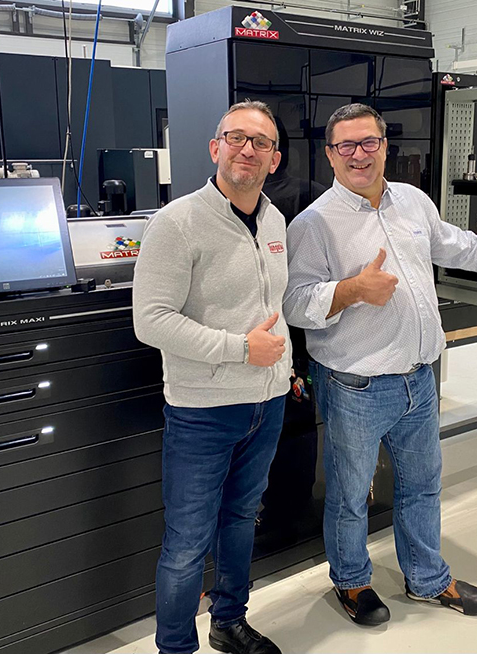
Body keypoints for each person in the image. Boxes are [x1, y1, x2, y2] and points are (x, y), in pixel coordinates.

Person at [283, 103, 477, 625]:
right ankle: (352, 582)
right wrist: (352, 290)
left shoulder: (411, 201)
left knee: (422, 485)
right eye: (346, 145)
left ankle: (427, 579)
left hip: (419, 379)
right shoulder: (313, 224)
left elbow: (458, 246)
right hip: (356, 386)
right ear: (330, 155)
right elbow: (295, 303)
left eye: (369, 142)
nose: (359, 154)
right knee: (349, 495)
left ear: (385, 147)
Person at [133, 100, 291, 654]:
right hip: (203, 411)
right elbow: (151, 320)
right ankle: (176, 647)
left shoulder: (275, 220)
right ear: (215, 147)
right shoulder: (176, 223)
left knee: (241, 519)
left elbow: (273, 305)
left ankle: (229, 622)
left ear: (274, 159)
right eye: (236, 137)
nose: (248, 149)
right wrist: (240, 349)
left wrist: (279, 366)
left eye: (262, 142)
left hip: (267, 404)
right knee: (186, 543)